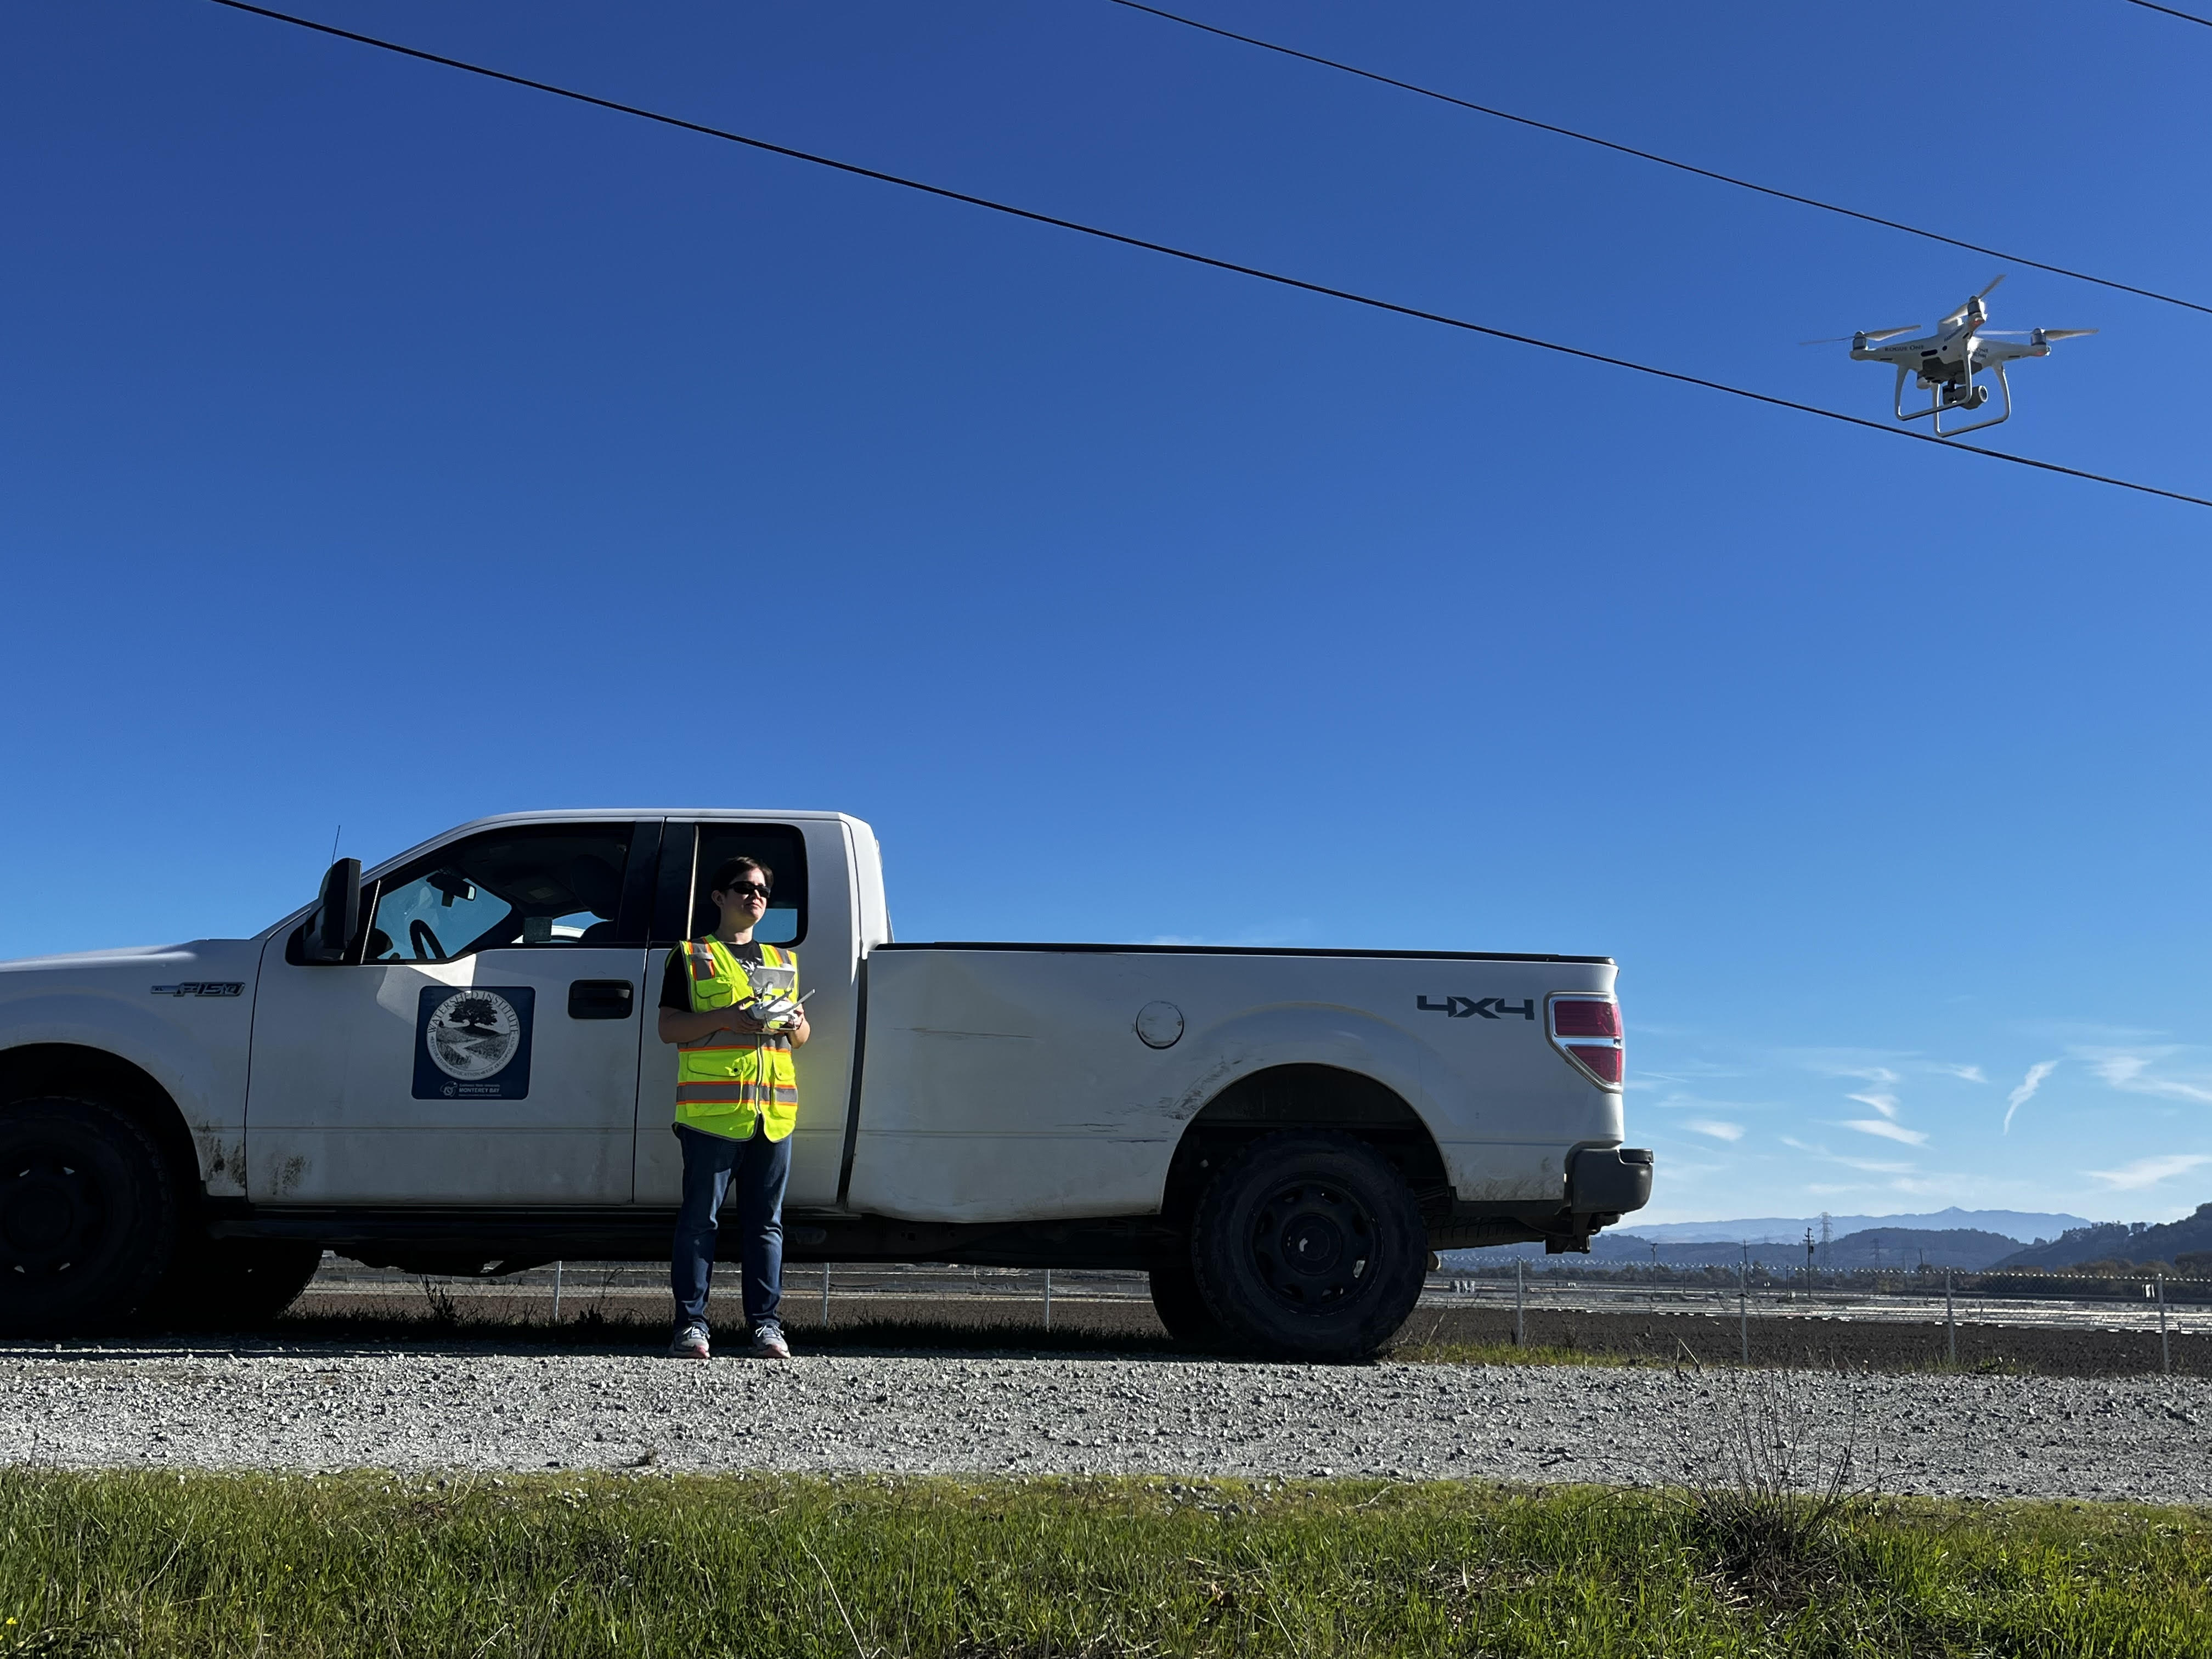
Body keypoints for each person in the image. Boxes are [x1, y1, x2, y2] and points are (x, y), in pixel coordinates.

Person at [658, 855, 810, 1360]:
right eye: (744, 887)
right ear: (718, 897)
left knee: (766, 1225)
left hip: (773, 1115)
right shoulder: (691, 955)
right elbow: (668, 1029)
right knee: (700, 1222)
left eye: (763, 889)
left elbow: (803, 1037)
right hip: (710, 1115)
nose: (756, 896)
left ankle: (766, 1326)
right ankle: (691, 1327)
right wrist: (726, 1018)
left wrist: (793, 1021)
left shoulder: (783, 961)